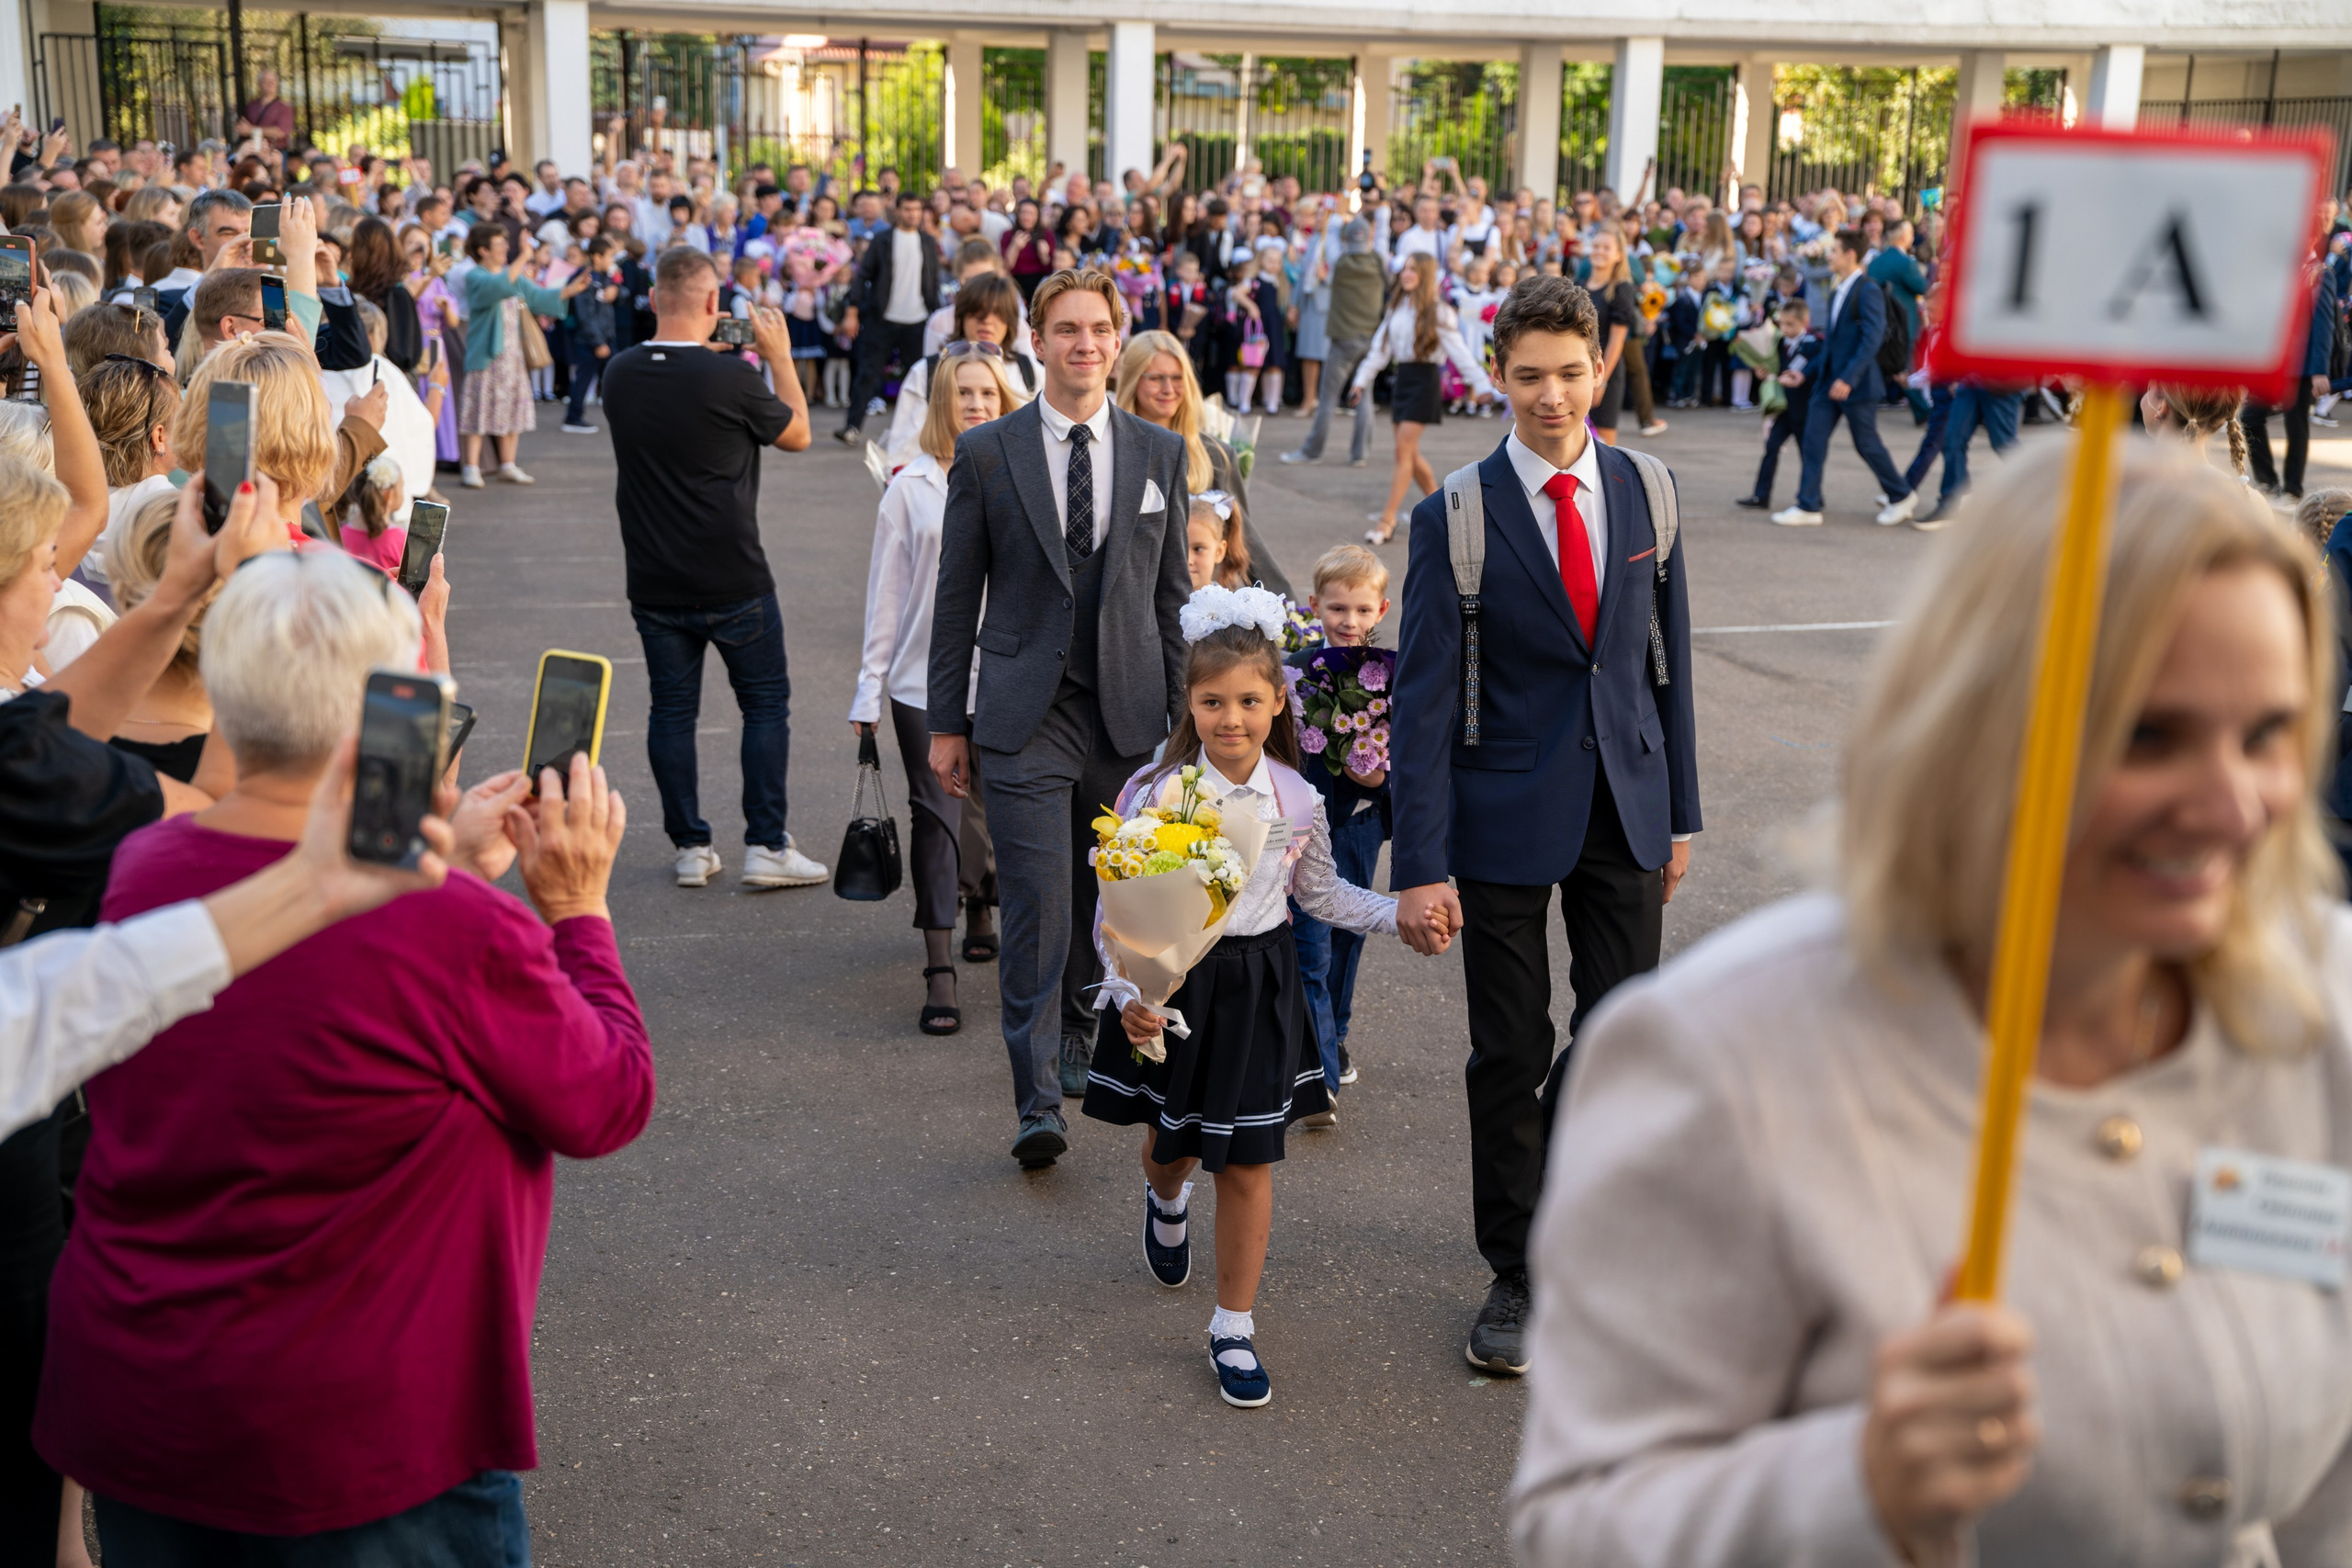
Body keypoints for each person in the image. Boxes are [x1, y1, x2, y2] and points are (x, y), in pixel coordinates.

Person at [1513, 439, 2352, 1564]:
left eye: (2270, 734)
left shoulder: (2322, 999)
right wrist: (1851, 1488)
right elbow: (1577, 1524)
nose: (2231, 804)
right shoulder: (1725, 1058)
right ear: (1982, 724)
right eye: (2149, 734)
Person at [37, 548, 655, 1561]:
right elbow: (606, 1099)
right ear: (391, 711)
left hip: (149, 1396)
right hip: (363, 1438)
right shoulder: (454, 930)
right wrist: (576, 910)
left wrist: (444, 856)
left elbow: (295, 952)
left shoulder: (144, 867)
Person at [1389, 275, 1700, 1376]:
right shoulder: (1454, 516)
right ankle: (1516, 1268)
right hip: (1500, 813)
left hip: (1629, 802)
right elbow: (1419, 702)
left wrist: (1682, 815)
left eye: (1571, 374)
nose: (1552, 397)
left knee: (1620, 1037)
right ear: (1497, 376)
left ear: (1597, 369)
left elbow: (1668, 668)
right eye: (1529, 377)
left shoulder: (1648, 492)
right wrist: (1419, 864)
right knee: (1508, 1051)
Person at [1084, 585, 1407, 1408]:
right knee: (1173, 1143)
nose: (1232, 718)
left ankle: (1233, 1324)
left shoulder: (1298, 798)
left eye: (1251, 700)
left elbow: (1325, 894)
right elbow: (1114, 913)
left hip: (1259, 985)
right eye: (1213, 701)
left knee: (1251, 1161)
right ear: (1189, 704)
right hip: (1175, 985)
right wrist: (1128, 990)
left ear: (1277, 702)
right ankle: (1164, 1199)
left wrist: (1400, 914)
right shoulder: (1154, 792)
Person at [926, 269, 1192, 1168]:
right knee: (1038, 908)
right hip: (1020, 716)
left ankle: (1083, 1032)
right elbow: (956, 596)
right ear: (1035, 343)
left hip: (1124, 713)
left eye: (1098, 328)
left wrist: (1188, 725)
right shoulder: (989, 451)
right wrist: (945, 720)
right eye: (1066, 329)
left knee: (1112, 904)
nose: (1084, 344)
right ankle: (1037, 1100)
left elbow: (1170, 595)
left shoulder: (1157, 454)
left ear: (1118, 339)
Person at [0, 740, 447, 1142]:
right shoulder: (144, 857)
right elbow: (70, 999)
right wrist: (308, 885)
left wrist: (310, 884)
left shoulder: (143, 859)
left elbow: (60, 1002)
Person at [600, 246, 823, 890]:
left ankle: (691, 847)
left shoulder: (619, 374)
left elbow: (674, 392)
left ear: (651, 300)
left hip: (653, 574)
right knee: (763, 706)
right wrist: (777, 356)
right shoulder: (733, 380)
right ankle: (766, 844)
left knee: (671, 711)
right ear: (711, 304)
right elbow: (798, 433)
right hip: (732, 572)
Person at [853, 346, 1023, 1032]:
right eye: (964, 393)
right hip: (922, 681)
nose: (976, 404)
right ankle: (939, 966)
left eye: (988, 392)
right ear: (940, 405)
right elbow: (885, 597)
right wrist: (868, 692)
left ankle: (981, 904)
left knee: (992, 808)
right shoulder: (909, 486)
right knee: (936, 812)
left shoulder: (1019, 478)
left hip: (1007, 678)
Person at [1284, 543, 1393, 1124]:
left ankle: (1336, 1034)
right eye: (1336, 609)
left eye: (1360, 610)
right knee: (1311, 944)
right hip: (1309, 827)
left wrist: (1381, 766)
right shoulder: (1296, 671)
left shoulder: (1392, 675)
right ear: (1314, 605)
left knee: (1350, 935)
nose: (1349, 622)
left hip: (1362, 823)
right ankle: (1320, 1077)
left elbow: (1413, 751)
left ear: (1381, 609)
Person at [1113, 330, 1291, 599]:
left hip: (1199, 605)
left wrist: (1291, 612)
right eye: (1156, 379)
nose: (1168, 389)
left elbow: (1245, 542)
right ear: (1132, 381)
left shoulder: (1215, 455)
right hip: (1129, 604)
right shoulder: (1109, 450)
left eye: (1176, 378)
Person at [1774, 228, 1915, 527]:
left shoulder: (1868, 289)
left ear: (1850, 255)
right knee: (1813, 439)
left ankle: (1901, 496)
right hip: (1829, 382)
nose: (1829, 256)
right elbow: (1831, 344)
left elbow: (1872, 338)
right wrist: (1804, 373)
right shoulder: (1839, 289)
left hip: (1856, 385)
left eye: (1834, 251)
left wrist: (1849, 378)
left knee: (1867, 444)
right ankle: (1808, 505)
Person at [1353, 253, 1494, 545]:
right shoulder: (1396, 308)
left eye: (1414, 270)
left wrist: (1480, 384)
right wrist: (1360, 381)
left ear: (1426, 275)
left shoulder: (1439, 312)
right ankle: (1446, 510)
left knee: (1403, 452)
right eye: (1405, 269)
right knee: (1410, 455)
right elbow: (1379, 350)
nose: (1406, 274)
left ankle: (1386, 521)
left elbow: (1459, 351)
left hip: (1425, 381)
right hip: (1403, 380)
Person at [456, 223, 590, 489]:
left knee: (512, 408)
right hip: (486, 353)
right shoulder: (476, 276)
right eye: (500, 245)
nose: (506, 248)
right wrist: (523, 256)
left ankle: (508, 464)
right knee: (477, 408)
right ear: (483, 250)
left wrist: (569, 291)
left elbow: (537, 297)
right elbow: (499, 286)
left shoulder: (511, 273)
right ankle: (471, 467)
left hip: (512, 355)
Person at [881, 272, 1038, 472]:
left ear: (1011, 320)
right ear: (961, 316)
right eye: (978, 313)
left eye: (998, 313)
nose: (987, 322)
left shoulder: (1029, 372)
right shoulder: (927, 372)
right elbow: (902, 454)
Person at [836, 190, 941, 445]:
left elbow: (932, 281)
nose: (912, 214)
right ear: (897, 211)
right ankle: (852, 427)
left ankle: (934, 431)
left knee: (927, 378)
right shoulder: (882, 240)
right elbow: (863, 276)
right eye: (907, 209)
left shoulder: (928, 241)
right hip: (882, 319)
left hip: (917, 321)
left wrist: (936, 315)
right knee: (867, 374)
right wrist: (851, 311)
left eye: (917, 209)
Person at [1280, 218, 1385, 469]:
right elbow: (1382, 231)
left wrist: (1338, 214)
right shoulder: (1378, 262)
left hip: (1343, 341)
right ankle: (1359, 454)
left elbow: (1335, 228)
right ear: (1368, 237)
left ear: (1348, 239)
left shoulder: (1341, 263)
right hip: (1370, 338)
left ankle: (1311, 451)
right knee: (1364, 396)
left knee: (1327, 399)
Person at [2242, 244, 2339, 502]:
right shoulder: (2276, 268)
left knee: (2296, 426)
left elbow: (2323, 324)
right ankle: (2267, 481)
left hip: (2302, 366)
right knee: (2249, 418)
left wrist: (2319, 370)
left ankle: (2293, 489)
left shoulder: (2319, 272)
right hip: (2273, 362)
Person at [1733, 297, 1821, 509]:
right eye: (1781, 323)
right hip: (1783, 408)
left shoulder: (1813, 344)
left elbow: (1815, 371)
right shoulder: (1778, 342)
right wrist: (1762, 371)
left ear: (1804, 321)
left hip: (1804, 409)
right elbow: (1774, 368)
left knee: (1807, 455)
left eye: (1790, 324)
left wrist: (1799, 376)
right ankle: (1761, 496)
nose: (1784, 328)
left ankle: (1814, 496)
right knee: (1771, 448)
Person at [1183, 490, 1250, 591]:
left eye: (1198, 549)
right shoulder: (1155, 600)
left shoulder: (1228, 604)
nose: (1188, 560)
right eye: (1180, 548)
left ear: (1219, 552)